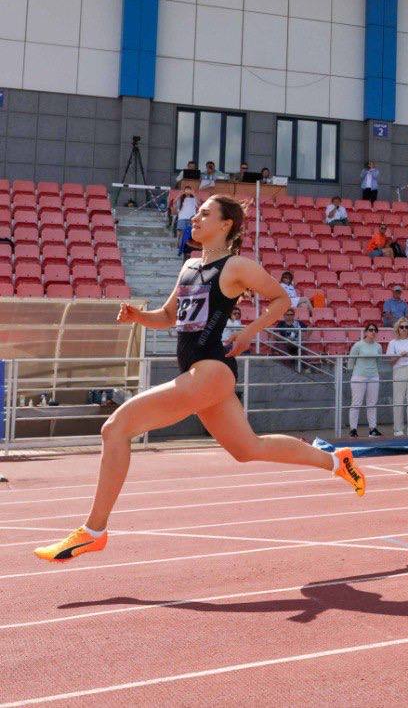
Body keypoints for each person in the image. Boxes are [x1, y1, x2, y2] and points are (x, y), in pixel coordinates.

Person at [33, 196, 366, 562]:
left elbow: (281, 300)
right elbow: (166, 317)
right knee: (247, 449)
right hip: (198, 372)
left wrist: (248, 332)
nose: (195, 217)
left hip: (211, 369)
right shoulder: (189, 266)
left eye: (205, 213)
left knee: (116, 428)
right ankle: (336, 461)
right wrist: (137, 317)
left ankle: (93, 531)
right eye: (197, 212)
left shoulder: (236, 266)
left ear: (226, 225)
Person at [386, 319, 408, 437]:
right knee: (398, 400)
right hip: (398, 370)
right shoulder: (393, 343)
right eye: (402, 327)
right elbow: (390, 361)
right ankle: (398, 428)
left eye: (407, 327)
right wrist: (400, 355)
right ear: (397, 329)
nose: (404, 329)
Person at [347, 323, 383, 437]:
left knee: (372, 403)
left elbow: (379, 361)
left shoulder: (378, 346)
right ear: (366, 332)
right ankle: (353, 429)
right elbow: (351, 361)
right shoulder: (358, 345)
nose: (373, 332)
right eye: (370, 330)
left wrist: (377, 373)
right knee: (356, 403)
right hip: (359, 376)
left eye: (375, 330)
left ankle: (373, 428)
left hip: (373, 376)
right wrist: (352, 372)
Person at [175, 187, 198, 256]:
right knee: (180, 234)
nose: (188, 191)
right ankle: (179, 247)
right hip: (182, 218)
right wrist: (180, 194)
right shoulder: (181, 199)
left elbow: (199, 204)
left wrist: (194, 194)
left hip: (191, 218)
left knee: (188, 235)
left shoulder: (194, 199)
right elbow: (174, 202)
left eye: (189, 190)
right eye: (186, 190)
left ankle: (185, 249)